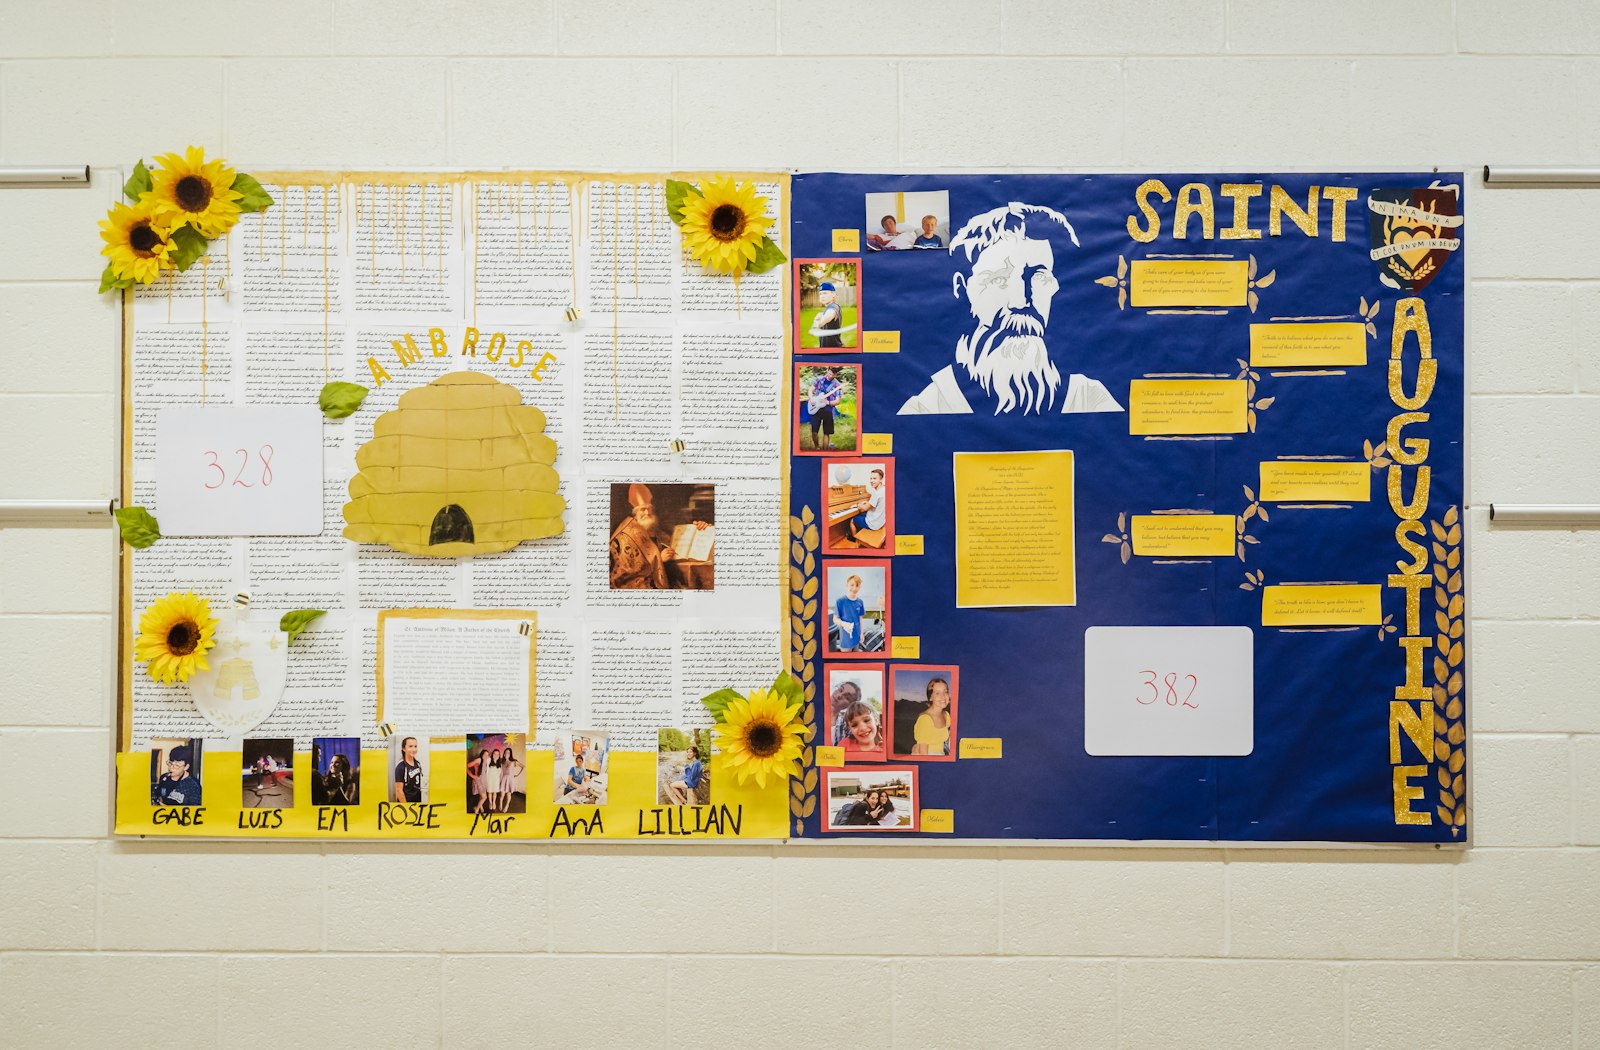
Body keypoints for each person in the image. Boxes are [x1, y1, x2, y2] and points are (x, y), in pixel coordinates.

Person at [899, 201, 1123, 416]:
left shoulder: (1088, 399)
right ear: (962, 288)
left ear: (1055, 285)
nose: (1022, 302)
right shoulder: (929, 407)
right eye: (999, 280)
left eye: (1038, 276)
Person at [610, 484, 706, 589]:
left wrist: (699, 529)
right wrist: (660, 560)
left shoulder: (651, 529)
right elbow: (629, 577)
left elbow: (675, 544)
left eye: (649, 509)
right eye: (642, 509)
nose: (647, 513)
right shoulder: (624, 537)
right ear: (634, 513)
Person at [912, 677, 953, 756]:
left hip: (942, 756)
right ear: (930, 697)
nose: (943, 696)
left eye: (945, 692)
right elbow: (923, 754)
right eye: (937, 693)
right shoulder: (925, 719)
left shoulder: (947, 715)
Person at [846, 468, 887, 543]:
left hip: (874, 525)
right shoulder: (884, 490)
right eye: (871, 478)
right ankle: (859, 533)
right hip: (881, 521)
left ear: (881, 479)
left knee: (852, 520)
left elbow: (865, 508)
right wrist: (867, 502)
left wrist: (857, 504)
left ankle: (855, 539)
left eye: (874, 478)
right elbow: (873, 504)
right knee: (861, 514)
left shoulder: (877, 493)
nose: (871, 481)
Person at [806, 368, 842, 451]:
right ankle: (817, 447)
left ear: (835, 375)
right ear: (827, 371)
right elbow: (810, 390)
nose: (829, 376)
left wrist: (828, 402)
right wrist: (811, 399)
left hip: (828, 410)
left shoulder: (837, 385)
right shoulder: (819, 379)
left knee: (827, 432)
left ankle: (825, 451)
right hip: (816, 408)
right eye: (829, 373)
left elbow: (837, 401)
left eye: (832, 375)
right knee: (814, 432)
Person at [832, 573, 866, 653]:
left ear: (859, 587)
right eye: (852, 585)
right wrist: (843, 624)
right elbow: (835, 619)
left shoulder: (860, 602)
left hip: (857, 639)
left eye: (857, 586)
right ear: (847, 585)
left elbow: (860, 619)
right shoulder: (840, 601)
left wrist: (861, 633)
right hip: (845, 641)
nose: (854, 588)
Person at [809, 280, 846, 348]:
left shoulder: (833, 306)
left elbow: (830, 314)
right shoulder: (827, 308)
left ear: (833, 294)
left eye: (825, 293)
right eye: (821, 294)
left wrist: (819, 320)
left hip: (834, 350)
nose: (822, 296)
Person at [829, 678, 862, 750]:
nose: (839, 696)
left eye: (847, 697)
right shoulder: (812, 708)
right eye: (840, 690)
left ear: (849, 706)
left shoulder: (846, 726)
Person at [393, 736, 424, 803]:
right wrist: (406, 807)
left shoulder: (418, 763)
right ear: (404, 749)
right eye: (410, 746)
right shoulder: (400, 767)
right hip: (406, 804)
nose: (414, 749)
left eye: (415, 746)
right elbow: (398, 791)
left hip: (417, 803)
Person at [498, 746, 523, 812]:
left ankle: (507, 805)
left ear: (510, 754)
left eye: (508, 753)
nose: (507, 754)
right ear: (504, 754)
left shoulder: (514, 762)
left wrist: (517, 775)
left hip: (510, 779)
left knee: (508, 794)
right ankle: (500, 803)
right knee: (502, 794)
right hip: (504, 779)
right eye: (506, 753)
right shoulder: (502, 762)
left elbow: (523, 766)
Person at [467, 746, 488, 815]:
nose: (486, 756)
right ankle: (477, 808)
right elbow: (466, 766)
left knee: (481, 796)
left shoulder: (486, 761)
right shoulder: (478, 760)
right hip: (478, 780)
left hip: (483, 780)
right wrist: (472, 775)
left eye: (487, 755)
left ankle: (481, 807)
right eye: (485, 754)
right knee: (484, 797)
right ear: (482, 754)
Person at [483, 747, 503, 812]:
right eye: (495, 754)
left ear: (499, 756)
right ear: (492, 754)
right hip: (489, 779)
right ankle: (490, 803)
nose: (496, 755)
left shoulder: (500, 763)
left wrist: (500, 781)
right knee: (489, 792)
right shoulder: (489, 760)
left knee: (495, 792)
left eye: (497, 754)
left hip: (496, 780)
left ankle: (494, 802)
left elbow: (500, 773)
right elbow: (483, 762)